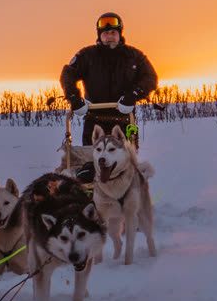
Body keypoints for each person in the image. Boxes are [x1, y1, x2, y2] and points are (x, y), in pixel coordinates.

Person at [60, 12, 158, 179]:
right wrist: (75, 99)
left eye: (113, 32)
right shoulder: (87, 56)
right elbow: (67, 74)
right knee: (94, 164)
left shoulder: (134, 56)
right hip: (94, 121)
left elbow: (150, 78)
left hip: (124, 120)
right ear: (100, 35)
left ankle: (129, 199)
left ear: (120, 33)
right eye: (105, 33)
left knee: (125, 164)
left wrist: (132, 96)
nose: (109, 36)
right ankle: (94, 200)